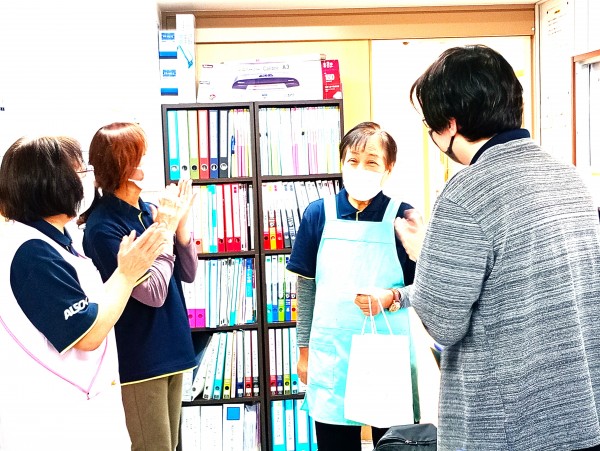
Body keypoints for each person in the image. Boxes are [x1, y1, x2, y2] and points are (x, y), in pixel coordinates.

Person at [394, 44, 600, 451]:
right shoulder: (569, 178)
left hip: (506, 426)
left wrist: (422, 253)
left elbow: (441, 324)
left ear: (450, 124)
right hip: (581, 412)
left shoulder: (466, 193)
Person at [0, 135, 168, 450]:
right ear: (51, 183)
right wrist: (127, 274)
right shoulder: (31, 252)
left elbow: (93, 305)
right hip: (57, 425)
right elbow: (87, 334)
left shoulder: (56, 240)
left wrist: (126, 271)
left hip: (81, 414)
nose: (88, 180)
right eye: (80, 172)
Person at [286, 121, 418, 451]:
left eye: (372, 162)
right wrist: (304, 353)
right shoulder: (317, 214)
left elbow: (424, 288)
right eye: (353, 161)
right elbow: (307, 289)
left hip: (387, 352)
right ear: (342, 163)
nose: (361, 169)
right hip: (331, 353)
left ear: (388, 167)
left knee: (392, 444)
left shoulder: (403, 217)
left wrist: (391, 297)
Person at [81, 122, 198, 451]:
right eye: (141, 155)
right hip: (142, 358)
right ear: (121, 165)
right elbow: (154, 294)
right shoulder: (103, 227)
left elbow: (188, 273)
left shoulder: (150, 211)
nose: (149, 161)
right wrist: (165, 229)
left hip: (174, 348)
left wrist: (180, 227)